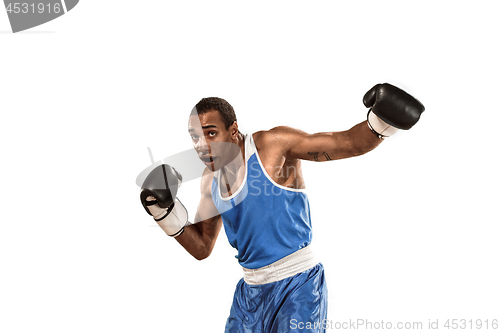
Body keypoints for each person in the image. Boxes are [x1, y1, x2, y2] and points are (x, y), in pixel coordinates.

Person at [140, 83, 425, 333]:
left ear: (234, 130)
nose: (202, 145)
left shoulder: (272, 146)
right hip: (249, 295)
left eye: (211, 133)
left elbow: (347, 143)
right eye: (195, 137)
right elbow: (202, 247)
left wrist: (379, 122)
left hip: (297, 287)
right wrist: (165, 215)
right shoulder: (209, 181)